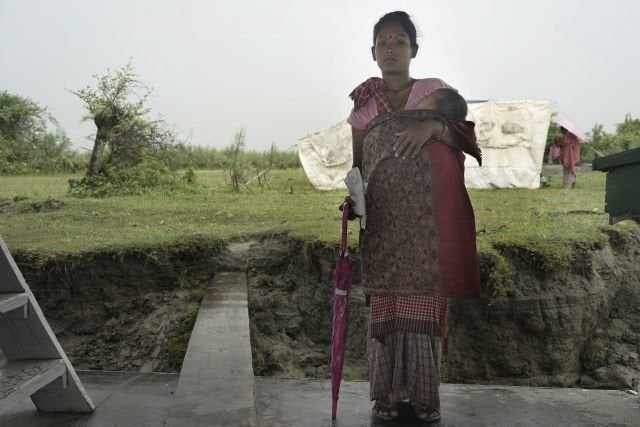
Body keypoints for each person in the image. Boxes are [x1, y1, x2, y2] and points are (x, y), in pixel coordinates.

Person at [344, 11, 482, 423]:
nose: (390, 47)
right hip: (385, 222)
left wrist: (432, 129)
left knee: (422, 305)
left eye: (399, 41)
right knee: (386, 306)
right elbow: (359, 164)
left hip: (426, 221)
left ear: (413, 50)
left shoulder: (435, 90)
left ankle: (424, 398)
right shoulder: (363, 106)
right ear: (372, 52)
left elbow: (462, 131)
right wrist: (353, 199)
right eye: (383, 41)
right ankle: (385, 395)